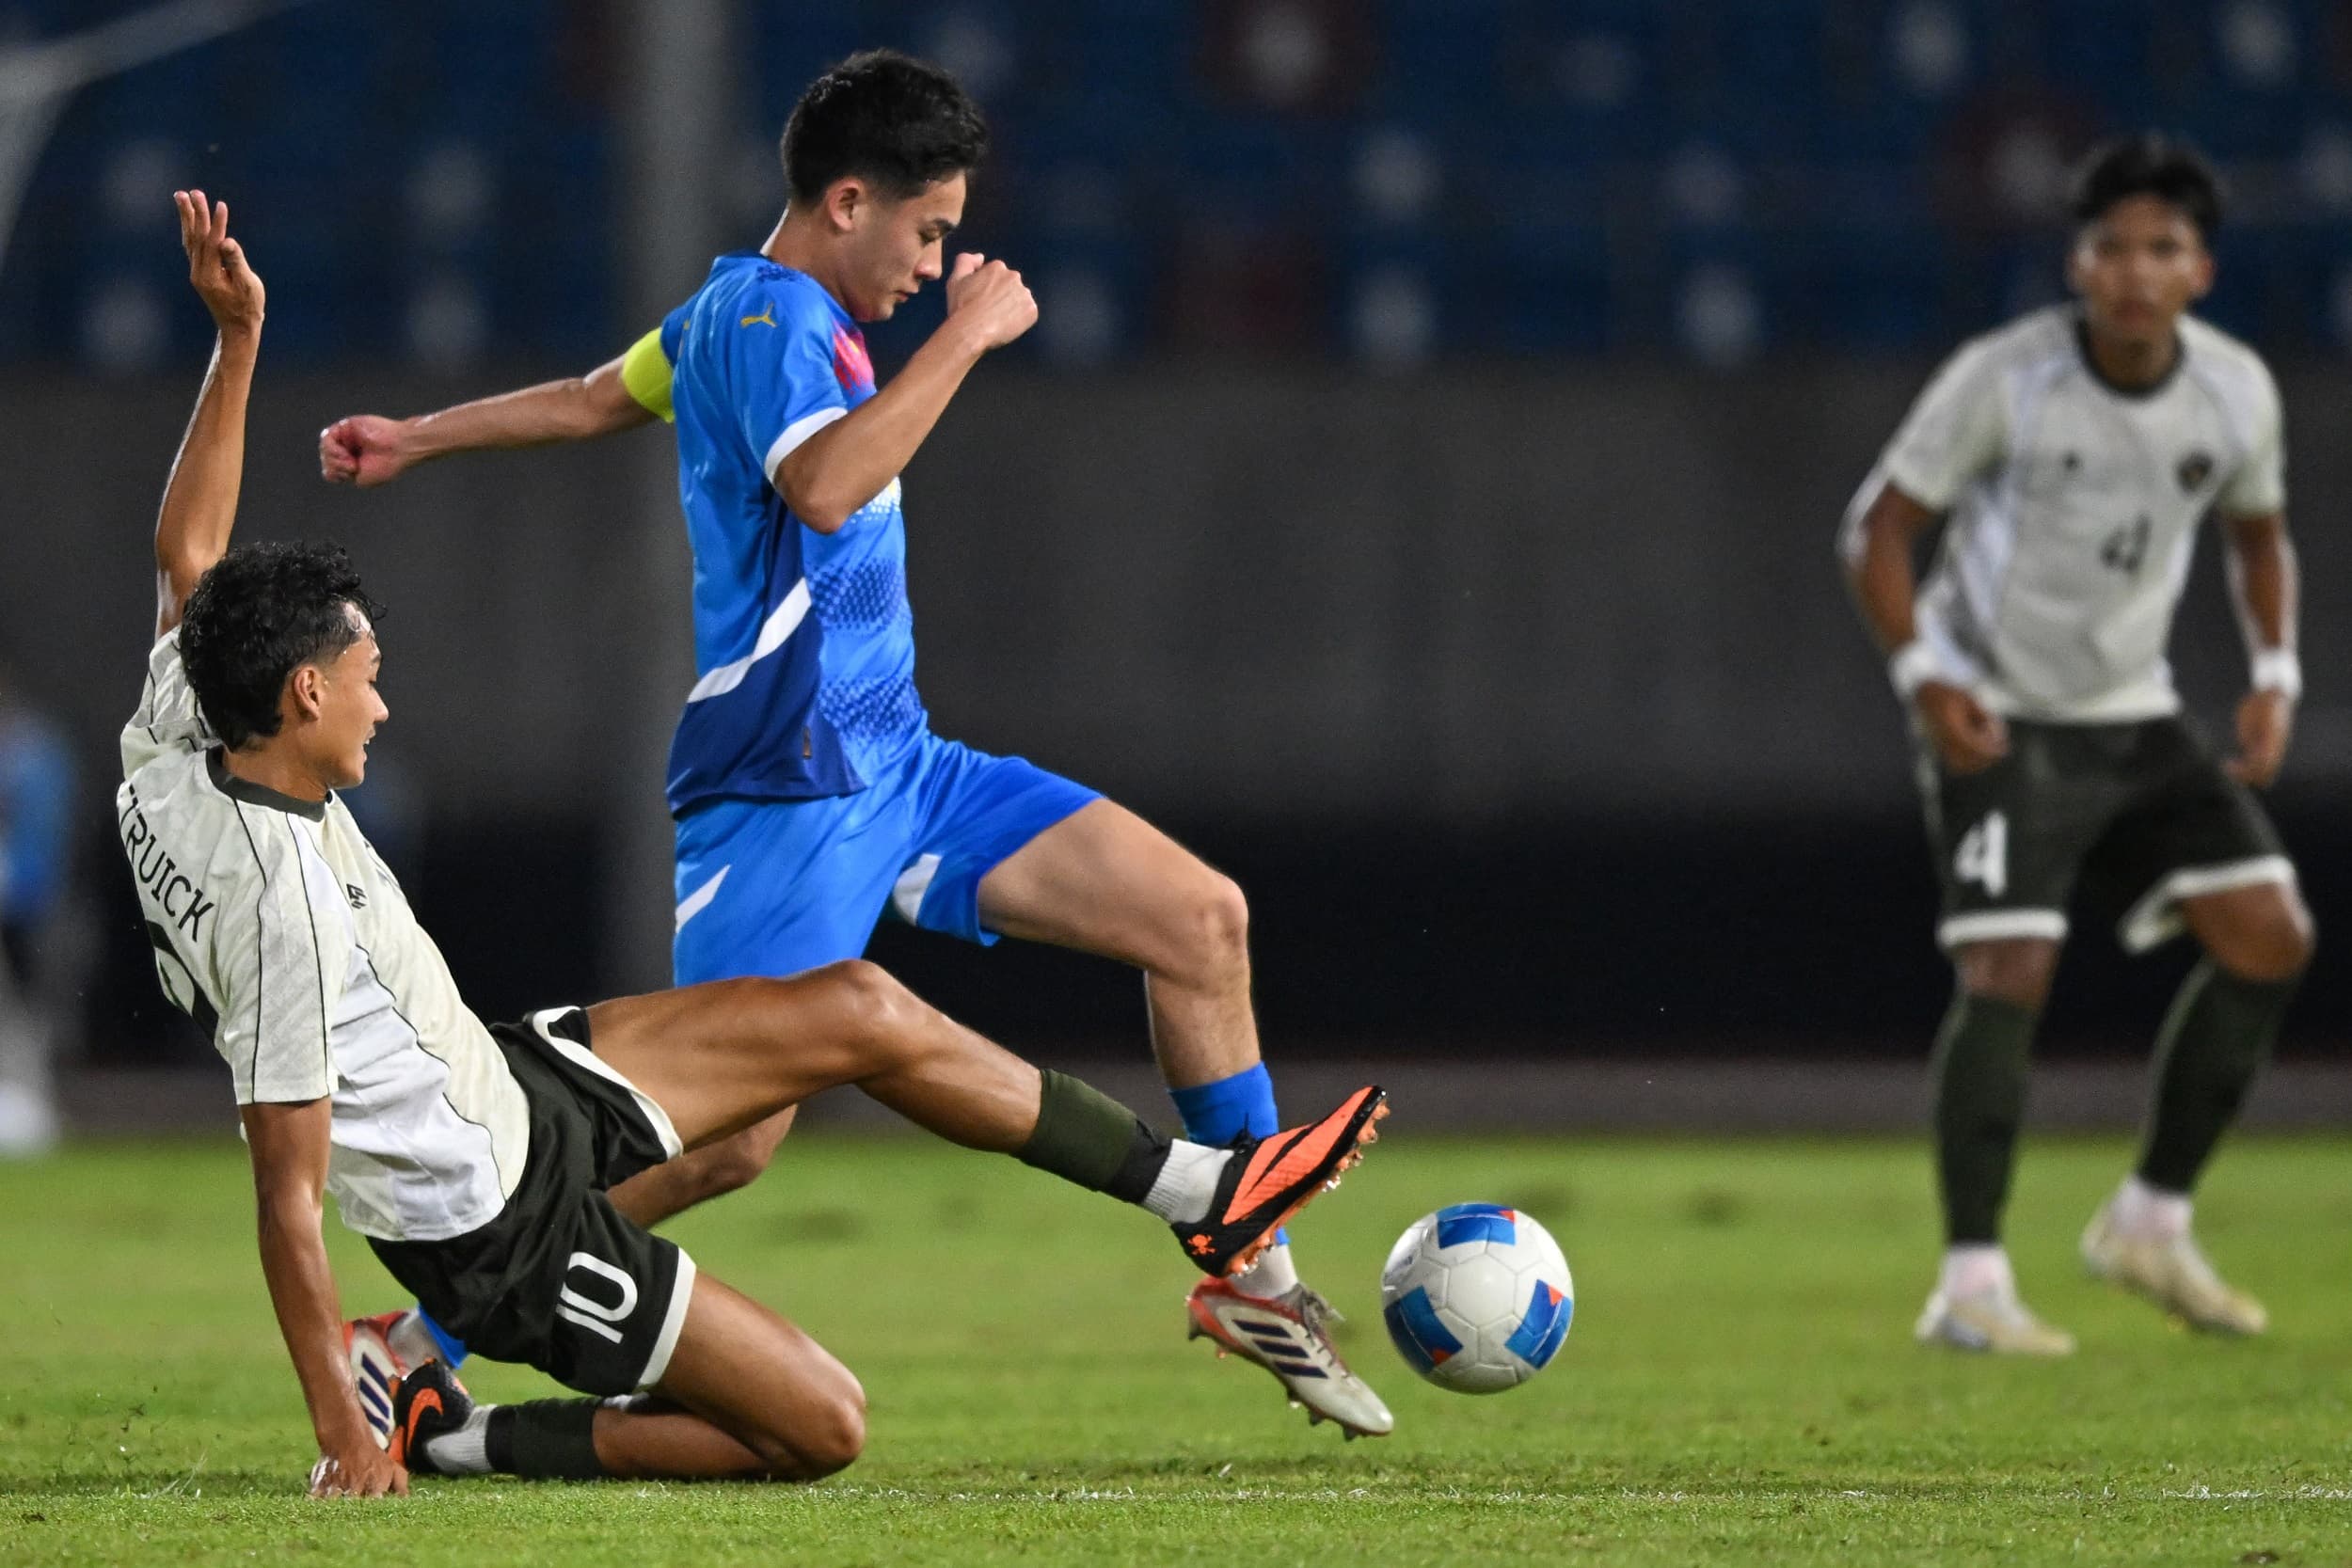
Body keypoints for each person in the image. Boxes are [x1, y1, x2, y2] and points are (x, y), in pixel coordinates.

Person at [133, 191, 1386, 1497]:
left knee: (911, 995)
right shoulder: (280, 910)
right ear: (302, 697)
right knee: (801, 1365)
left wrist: (255, 349)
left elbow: (192, 553)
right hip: (516, 1174)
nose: (385, 705)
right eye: (367, 680)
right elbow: (287, 1198)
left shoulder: (178, 729)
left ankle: (1219, 1216)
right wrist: (343, 1437)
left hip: (538, 1053)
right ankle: (431, 1403)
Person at [1840, 135, 2313, 1354]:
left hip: (2132, 711)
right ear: (2077, 263)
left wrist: (2274, 675)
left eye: (2163, 248)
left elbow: (2258, 534)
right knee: (2008, 971)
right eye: (2112, 247)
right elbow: (1877, 530)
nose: (2135, 272)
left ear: (2202, 270)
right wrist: (1925, 678)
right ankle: (1970, 1285)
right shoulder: (2007, 379)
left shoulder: (2235, 392)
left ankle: (2150, 1222)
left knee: (2269, 937)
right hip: (1998, 709)